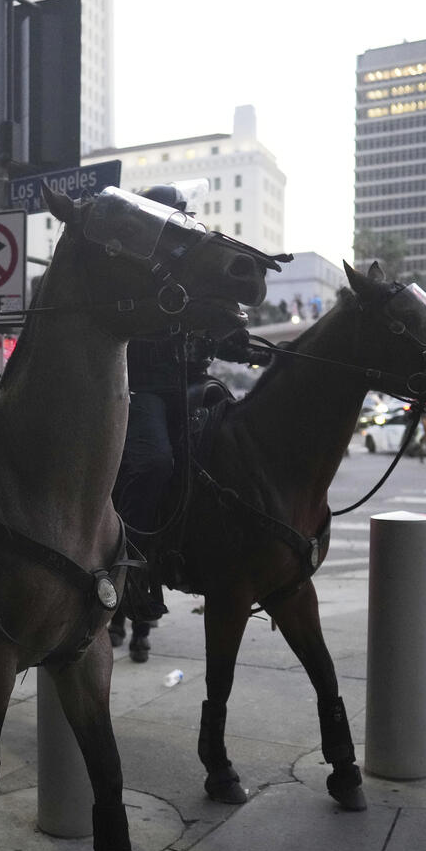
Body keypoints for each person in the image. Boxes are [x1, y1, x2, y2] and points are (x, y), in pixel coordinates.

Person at [109, 184, 250, 663]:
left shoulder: (199, 265)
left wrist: (237, 341)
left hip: (193, 383)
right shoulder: (131, 267)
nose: (180, 228)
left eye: (183, 219)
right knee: (153, 463)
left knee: (228, 453)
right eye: (172, 219)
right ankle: (130, 569)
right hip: (145, 387)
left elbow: (221, 323)